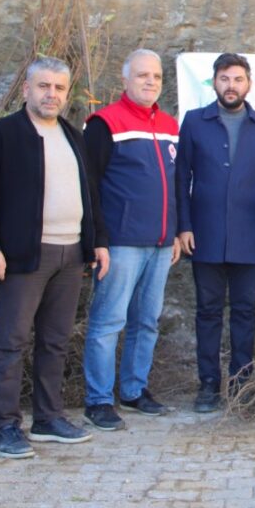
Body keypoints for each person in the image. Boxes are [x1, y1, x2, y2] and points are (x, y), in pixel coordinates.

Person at [0, 56, 108, 458]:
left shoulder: (73, 135)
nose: (51, 94)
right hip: (24, 256)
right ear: (26, 89)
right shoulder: (1, 136)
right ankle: (4, 427)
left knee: (55, 341)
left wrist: (97, 241)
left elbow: (90, 195)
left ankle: (47, 418)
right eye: (43, 86)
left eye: (59, 88)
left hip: (71, 255)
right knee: (11, 341)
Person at [177, 52, 255, 413]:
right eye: (224, 79)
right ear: (214, 82)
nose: (231, 85)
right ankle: (208, 384)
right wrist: (183, 226)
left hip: (248, 233)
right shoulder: (194, 121)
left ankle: (242, 381)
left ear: (248, 83)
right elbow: (181, 178)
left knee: (245, 310)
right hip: (203, 233)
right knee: (207, 311)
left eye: (237, 79)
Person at [82, 49, 180, 431]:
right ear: (125, 80)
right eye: (142, 75)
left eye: (156, 76)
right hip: (120, 243)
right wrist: (97, 240)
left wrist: (175, 232)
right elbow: (89, 186)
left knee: (147, 322)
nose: (150, 81)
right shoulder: (105, 123)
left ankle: (134, 390)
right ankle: (99, 400)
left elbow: (176, 185)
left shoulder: (171, 125)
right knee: (109, 322)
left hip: (160, 245)